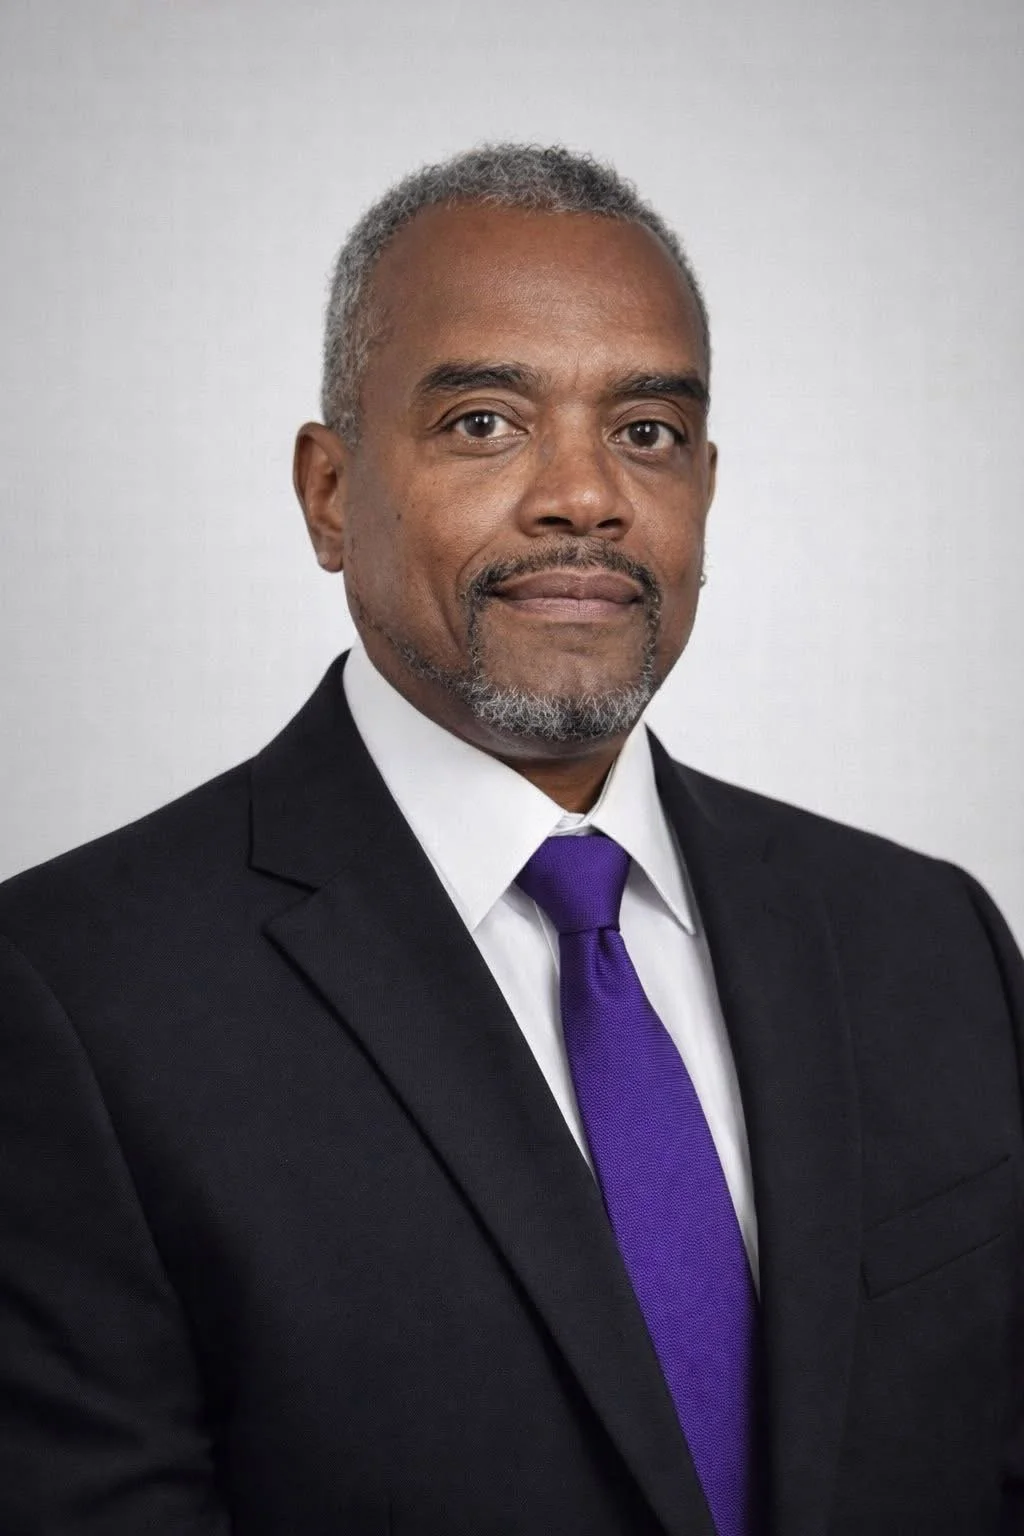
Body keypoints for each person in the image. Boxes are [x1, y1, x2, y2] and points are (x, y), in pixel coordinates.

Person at [0, 144, 1021, 1536]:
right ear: (328, 491)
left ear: (706, 489)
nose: (585, 497)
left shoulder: (932, 940)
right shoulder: (68, 996)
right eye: (485, 422)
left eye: (647, 431)